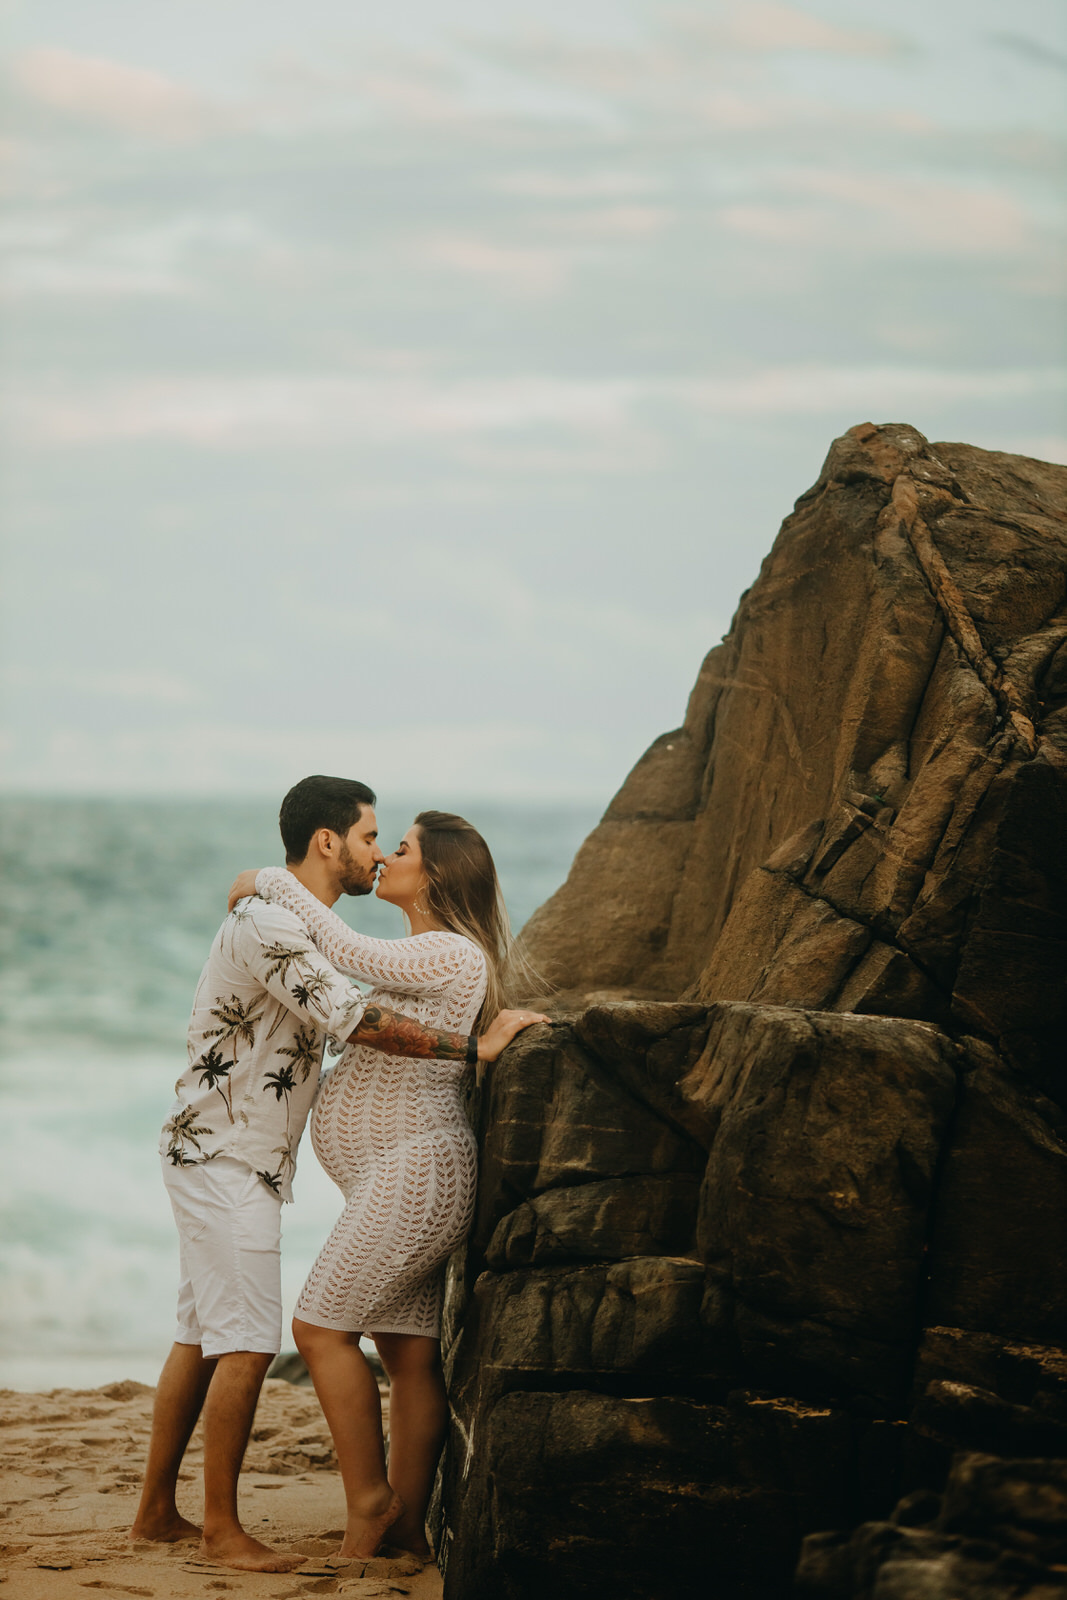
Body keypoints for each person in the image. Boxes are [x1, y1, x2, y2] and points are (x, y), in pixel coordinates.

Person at [130, 776, 545, 1574]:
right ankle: (222, 1526)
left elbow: (351, 979)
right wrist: (268, 884)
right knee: (249, 1342)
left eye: (397, 845)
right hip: (229, 1154)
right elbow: (350, 1002)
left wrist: (266, 877)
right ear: (329, 842)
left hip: (313, 1163)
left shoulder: (425, 948)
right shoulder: (274, 926)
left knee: (276, 1335)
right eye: (370, 838)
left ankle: (375, 1515)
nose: (379, 853)